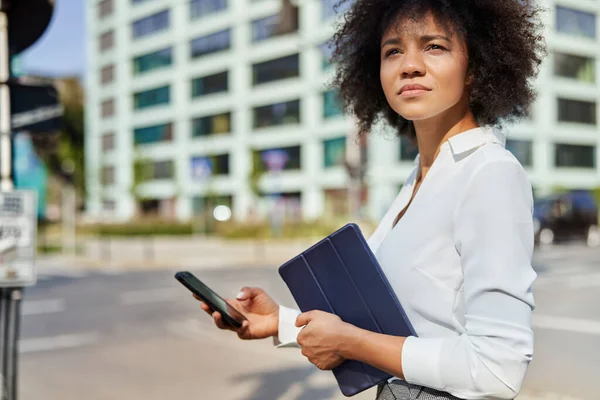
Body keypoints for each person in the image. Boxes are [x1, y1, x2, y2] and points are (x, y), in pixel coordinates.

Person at [197, 0, 546, 399]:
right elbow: (392, 327)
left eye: (434, 46)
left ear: (476, 68)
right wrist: (278, 322)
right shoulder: (419, 177)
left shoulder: (489, 173)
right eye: (393, 51)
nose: (409, 65)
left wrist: (350, 344)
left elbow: (497, 369)